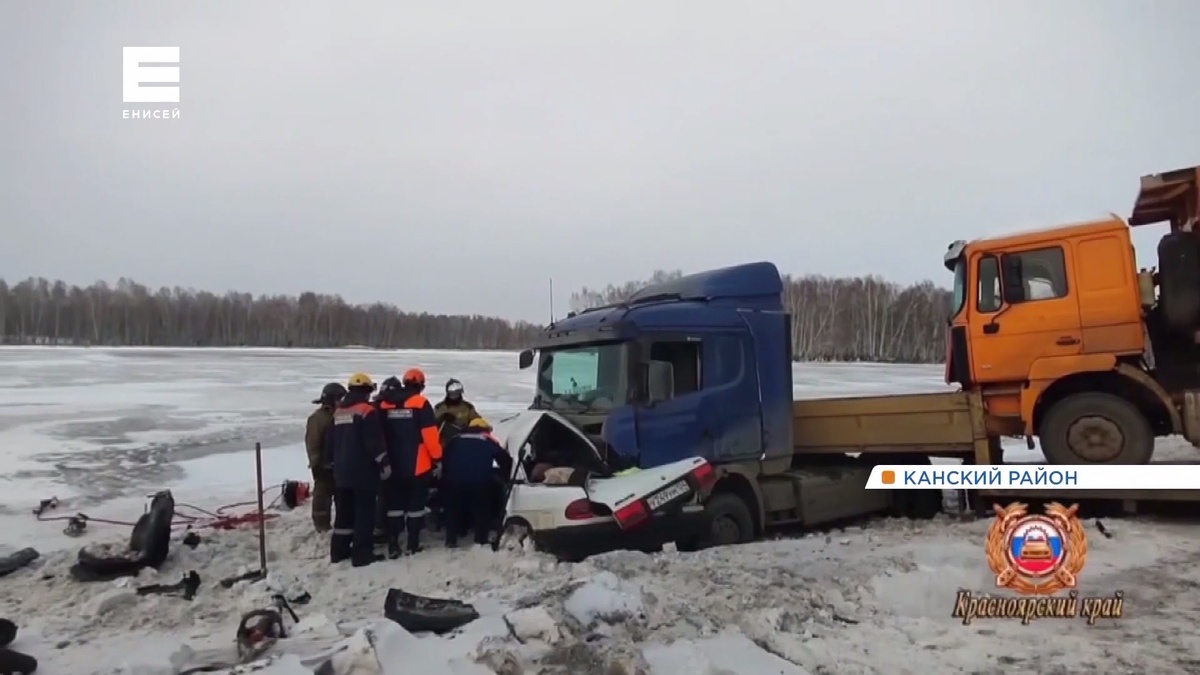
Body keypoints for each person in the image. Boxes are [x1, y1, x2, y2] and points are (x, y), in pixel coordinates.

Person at [328, 372, 392, 567]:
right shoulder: (367, 411)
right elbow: (373, 442)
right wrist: (384, 463)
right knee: (364, 513)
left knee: (343, 515)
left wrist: (330, 464)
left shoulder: (339, 412)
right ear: (366, 391)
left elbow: (330, 442)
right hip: (363, 473)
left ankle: (338, 552)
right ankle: (362, 554)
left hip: (341, 473)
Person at [377, 368, 443, 556]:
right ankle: (413, 543)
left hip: (392, 464)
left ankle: (393, 543)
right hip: (418, 464)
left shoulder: (385, 404)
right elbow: (430, 436)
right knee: (415, 506)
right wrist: (438, 459)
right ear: (421, 385)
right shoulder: (421, 403)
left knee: (394, 505)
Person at [440, 417, 512, 547]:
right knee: (482, 508)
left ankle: (451, 538)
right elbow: (505, 460)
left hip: (454, 481)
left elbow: (444, 458)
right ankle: (480, 539)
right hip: (480, 482)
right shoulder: (487, 440)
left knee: (453, 508)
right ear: (484, 430)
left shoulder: (455, 440)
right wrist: (506, 476)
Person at [304, 382, 346, 532]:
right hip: (324, 465)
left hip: (341, 463)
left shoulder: (344, 414)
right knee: (322, 497)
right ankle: (321, 527)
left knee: (342, 497)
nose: (343, 400)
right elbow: (312, 443)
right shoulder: (318, 419)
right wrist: (316, 464)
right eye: (340, 398)